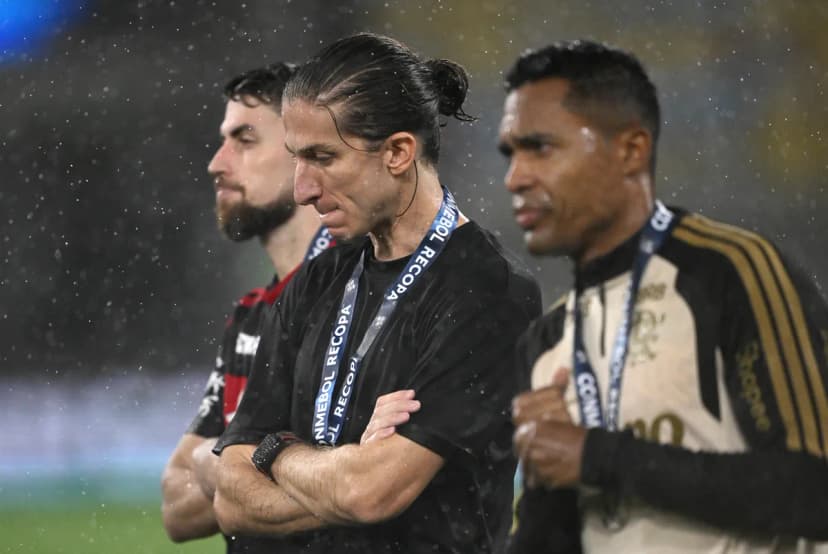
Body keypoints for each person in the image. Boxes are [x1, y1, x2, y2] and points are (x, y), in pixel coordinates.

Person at [211, 32, 542, 553]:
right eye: (297, 158)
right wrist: (345, 466)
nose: (303, 189)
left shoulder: (488, 293)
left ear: (398, 152)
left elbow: (370, 494)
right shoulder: (318, 279)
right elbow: (230, 498)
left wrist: (275, 451)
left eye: (322, 157)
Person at [499, 40, 828, 553]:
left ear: (631, 151)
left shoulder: (731, 274)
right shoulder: (547, 343)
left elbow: (812, 488)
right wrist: (550, 486)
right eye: (510, 153)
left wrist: (596, 457)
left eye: (539, 148)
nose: (515, 177)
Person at [160, 63, 334, 553]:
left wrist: (216, 462)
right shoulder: (251, 317)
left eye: (245, 140)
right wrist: (251, 468)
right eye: (223, 140)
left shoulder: (356, 300)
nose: (217, 163)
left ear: (305, 152)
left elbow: (357, 485)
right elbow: (176, 506)